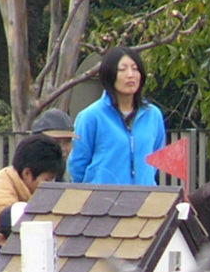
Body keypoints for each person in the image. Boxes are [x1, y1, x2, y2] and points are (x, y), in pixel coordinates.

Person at [68, 46, 167, 185]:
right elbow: (78, 165)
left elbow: (156, 157)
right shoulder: (91, 116)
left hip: (144, 199)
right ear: (110, 74)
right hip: (101, 200)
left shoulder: (153, 115)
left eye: (135, 68)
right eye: (122, 69)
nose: (130, 74)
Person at [0, 134, 65, 229]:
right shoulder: (3, 207)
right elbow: (8, 246)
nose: (52, 186)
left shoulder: (9, 177)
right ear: (27, 174)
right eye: (47, 180)